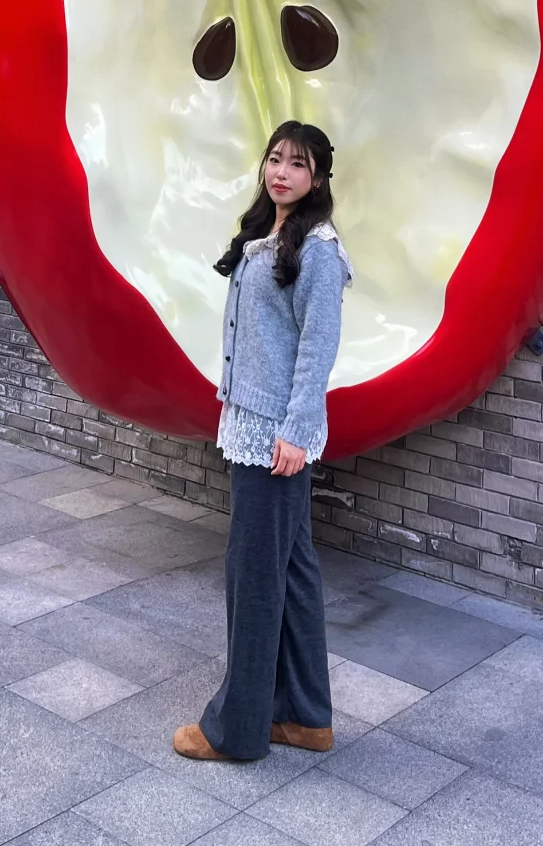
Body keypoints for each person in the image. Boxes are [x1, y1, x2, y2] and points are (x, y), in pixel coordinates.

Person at [173, 120, 353, 762]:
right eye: (275, 159)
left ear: (319, 178)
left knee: (253, 576)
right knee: (293, 569)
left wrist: (299, 431)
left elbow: (317, 347)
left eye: (297, 165)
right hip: (253, 419)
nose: (281, 172)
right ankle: (306, 718)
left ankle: (238, 730)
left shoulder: (320, 251)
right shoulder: (267, 235)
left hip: (274, 435)